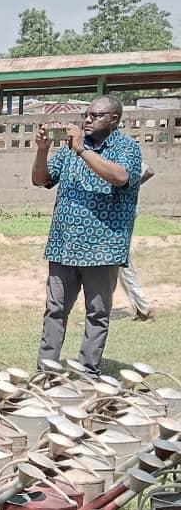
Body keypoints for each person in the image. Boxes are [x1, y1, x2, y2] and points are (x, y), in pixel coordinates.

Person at [32, 96, 142, 375]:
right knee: (54, 311)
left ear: (114, 119)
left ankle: (87, 371)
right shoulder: (68, 150)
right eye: (87, 115)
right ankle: (46, 371)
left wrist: (82, 150)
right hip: (63, 247)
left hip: (102, 249)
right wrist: (43, 151)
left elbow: (119, 177)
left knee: (97, 314)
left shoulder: (126, 148)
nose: (88, 120)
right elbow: (40, 179)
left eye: (96, 115)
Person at [117, 165, 155, 321]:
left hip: (120, 215)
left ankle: (142, 307)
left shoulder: (120, 154)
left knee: (121, 261)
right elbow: (149, 171)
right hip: (120, 213)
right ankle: (141, 307)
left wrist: (131, 186)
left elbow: (150, 171)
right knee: (118, 261)